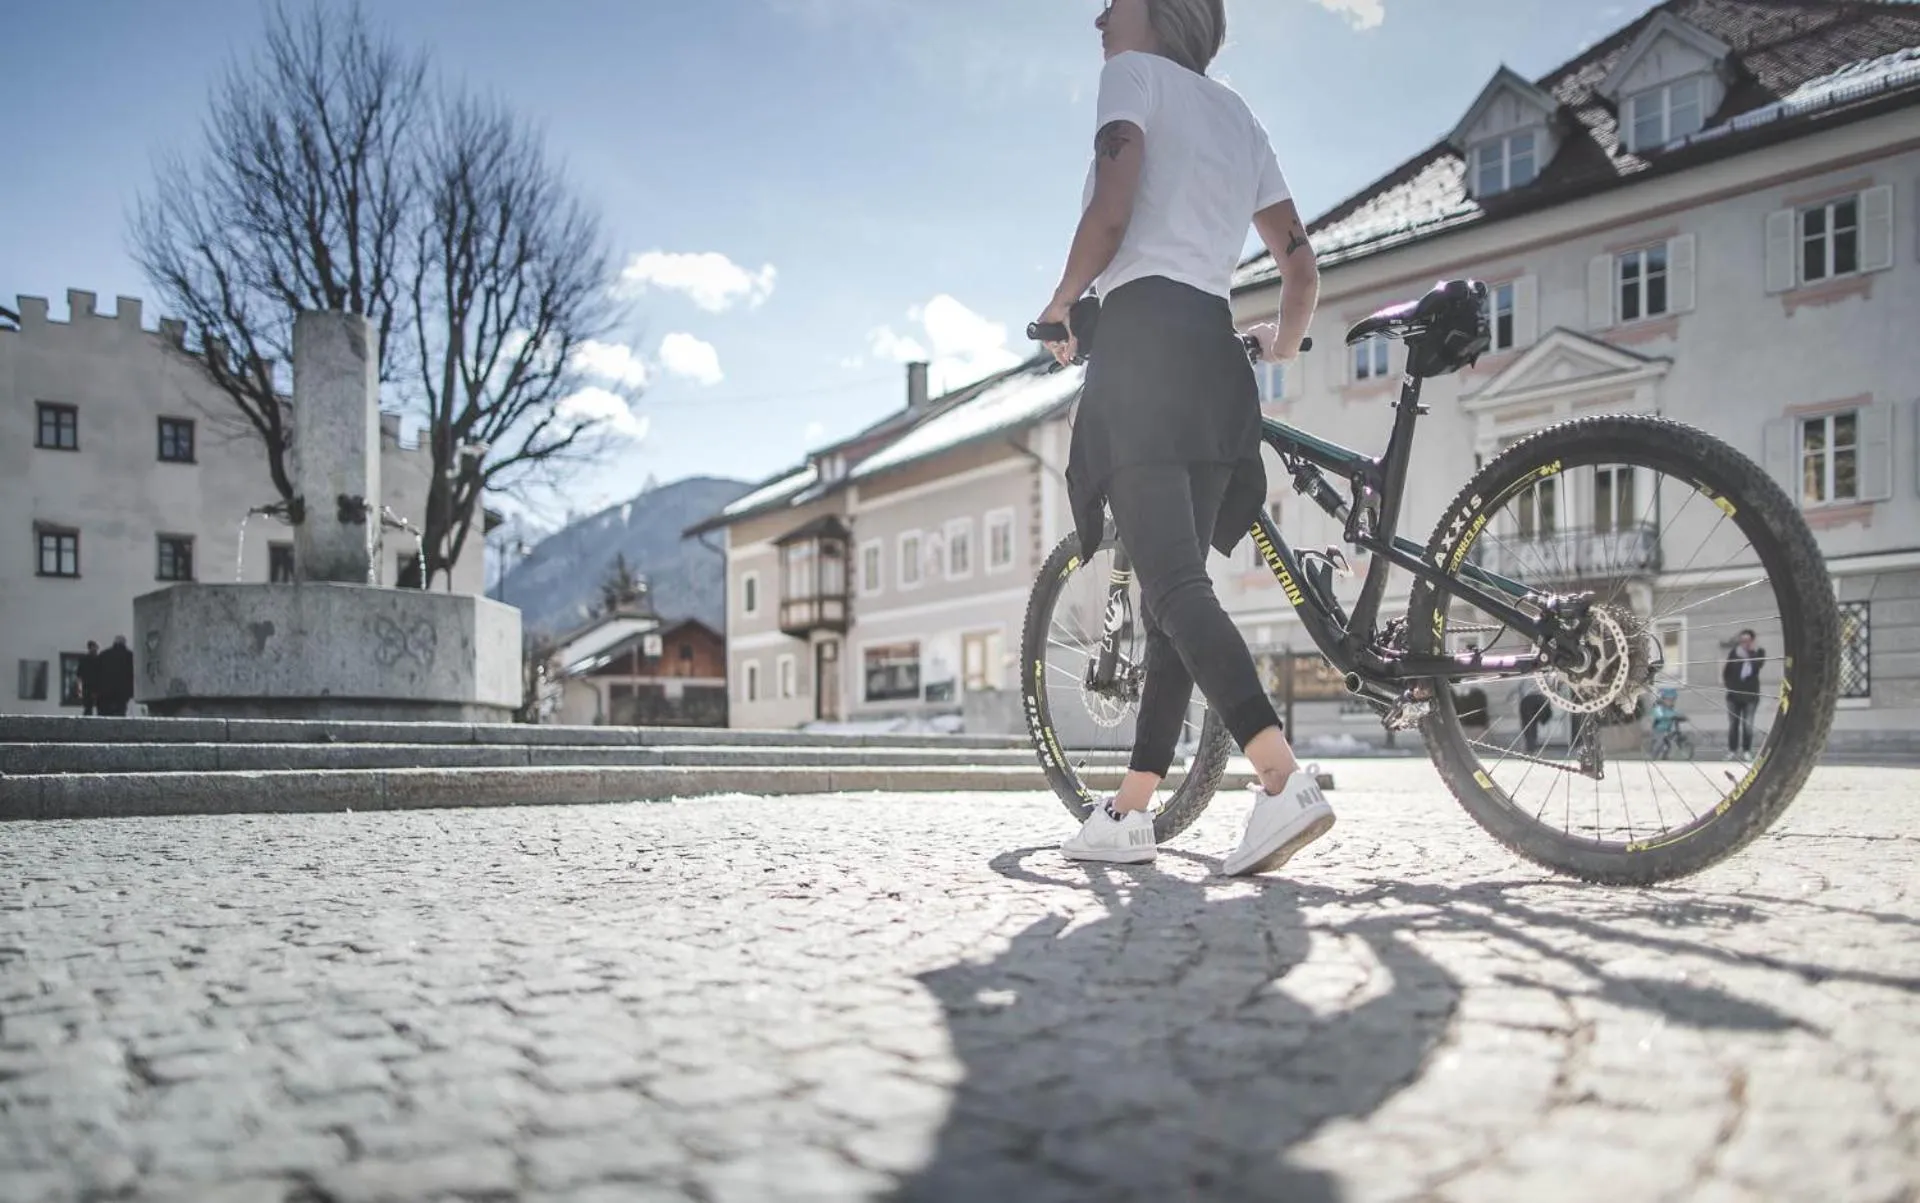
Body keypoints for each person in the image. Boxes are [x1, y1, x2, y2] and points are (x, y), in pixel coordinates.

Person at [1038, 0, 1328, 875]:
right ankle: (1130, 811)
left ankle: (1281, 780)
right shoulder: (1240, 116)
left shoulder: (1130, 77)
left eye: (1114, 0)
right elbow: (1299, 263)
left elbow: (1113, 213)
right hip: (1215, 356)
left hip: (1146, 349)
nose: (1098, 14)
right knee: (1175, 596)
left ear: (1159, 11)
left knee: (1168, 584)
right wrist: (1279, 342)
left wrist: (1059, 305)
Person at [1722, 629, 1764, 760]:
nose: (1744, 643)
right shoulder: (1734, 653)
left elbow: (1757, 666)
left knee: (1748, 724)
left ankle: (1746, 750)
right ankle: (1732, 750)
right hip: (1733, 696)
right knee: (1733, 724)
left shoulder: (1758, 653)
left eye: (1747, 640)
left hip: (1750, 696)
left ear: (1752, 641)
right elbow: (1726, 672)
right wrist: (1730, 686)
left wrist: (1751, 653)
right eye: (1742, 640)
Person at [95, 635, 136, 717]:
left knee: (104, 718)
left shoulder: (103, 655)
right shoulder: (130, 656)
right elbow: (133, 675)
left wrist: (96, 690)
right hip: (122, 694)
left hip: (104, 693)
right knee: (119, 717)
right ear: (124, 644)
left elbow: (96, 674)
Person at [77, 639, 101, 716]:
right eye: (94, 647)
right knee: (90, 707)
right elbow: (79, 675)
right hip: (90, 686)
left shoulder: (85, 660)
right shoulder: (97, 660)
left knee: (90, 707)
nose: (95, 649)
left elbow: (79, 674)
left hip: (91, 686)